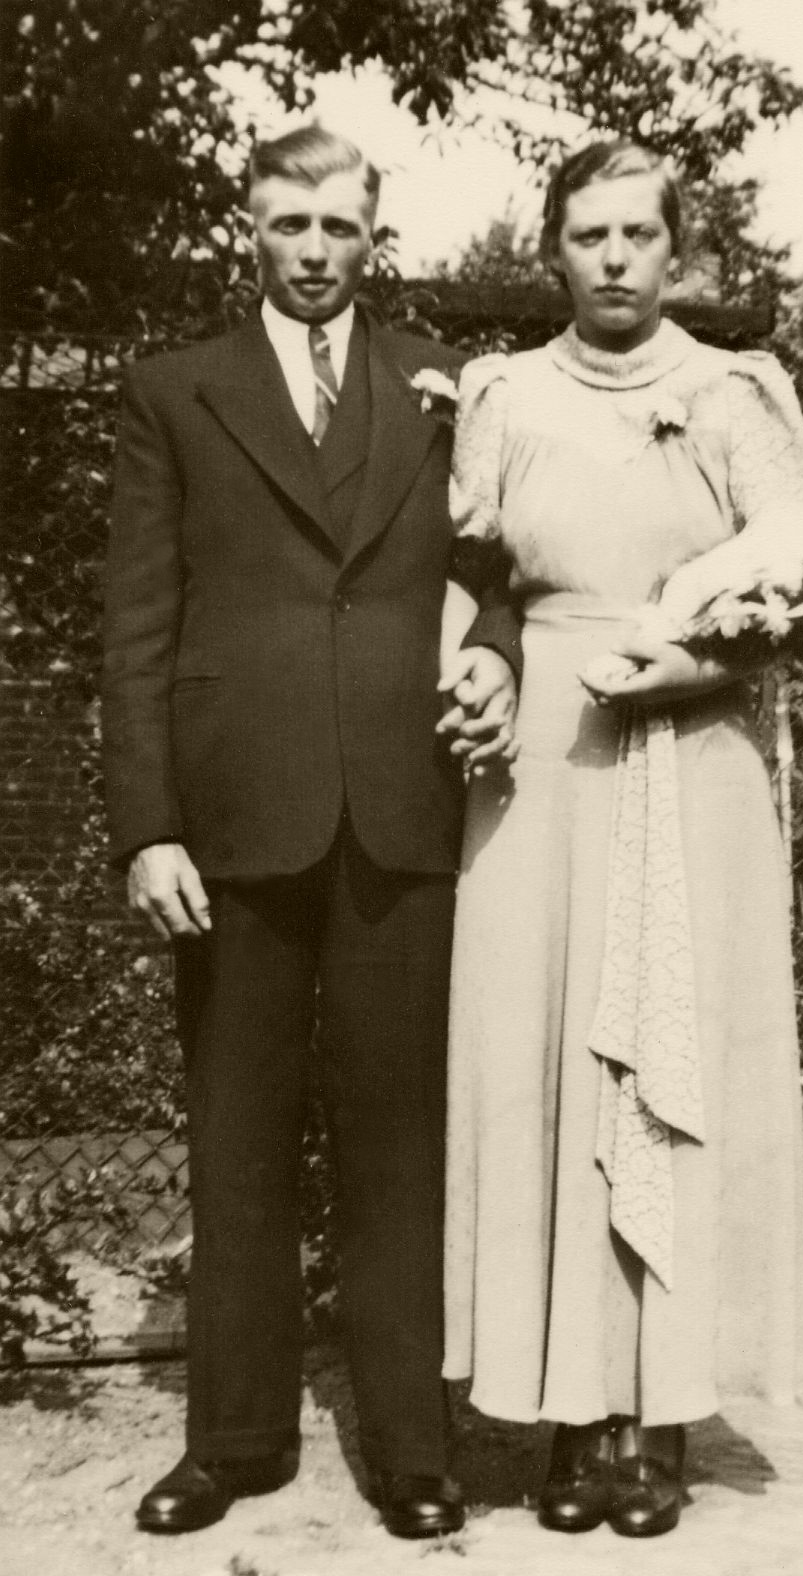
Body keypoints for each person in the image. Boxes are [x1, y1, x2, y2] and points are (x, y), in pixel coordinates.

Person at [101, 120, 519, 1540]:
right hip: (234, 818)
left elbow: (501, 565)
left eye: (341, 225)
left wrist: (497, 652)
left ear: (373, 233)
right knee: (239, 1133)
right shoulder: (174, 390)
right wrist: (148, 827)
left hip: (403, 804)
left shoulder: (444, 386)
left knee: (399, 1138)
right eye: (291, 223)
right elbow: (136, 623)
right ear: (251, 228)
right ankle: (234, 1441)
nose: (316, 251)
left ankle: (410, 1445)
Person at [440, 139, 803, 1538]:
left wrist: (704, 663)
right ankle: (567, 1413)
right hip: (541, 765)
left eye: (638, 234)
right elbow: (472, 577)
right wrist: (484, 666)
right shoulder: (502, 395)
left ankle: (660, 1413)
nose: (613, 258)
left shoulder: (736, 393)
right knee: (544, 1061)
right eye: (587, 235)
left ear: (678, 251)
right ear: (551, 251)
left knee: (676, 1067)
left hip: (694, 748)